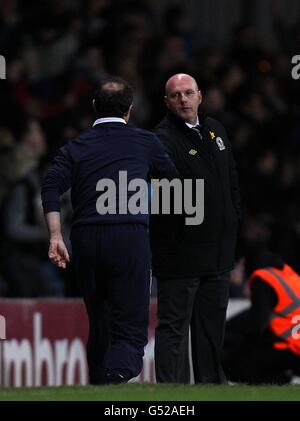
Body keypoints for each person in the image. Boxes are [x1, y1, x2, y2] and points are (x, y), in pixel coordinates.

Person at [41, 76, 178, 385]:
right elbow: (173, 181)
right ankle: (115, 379)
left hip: (86, 239)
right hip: (128, 237)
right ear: (129, 109)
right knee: (129, 328)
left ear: (94, 107)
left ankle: (98, 388)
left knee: (100, 322)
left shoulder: (76, 146)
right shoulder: (145, 142)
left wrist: (55, 237)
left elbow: (50, 187)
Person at [150, 73, 241, 384]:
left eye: (188, 93)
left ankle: (211, 390)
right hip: (181, 258)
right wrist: (176, 243)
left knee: (211, 330)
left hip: (218, 254)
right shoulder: (162, 140)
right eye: (175, 95)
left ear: (200, 96)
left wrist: (233, 224)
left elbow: (231, 182)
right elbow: (163, 203)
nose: (183, 100)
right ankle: (171, 397)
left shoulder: (216, 130)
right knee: (174, 329)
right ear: (167, 102)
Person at [223, 248, 300, 384]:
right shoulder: (290, 275)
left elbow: (258, 324)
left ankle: (277, 379)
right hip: (294, 344)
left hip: (287, 347)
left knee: (231, 361)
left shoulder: (263, 277)